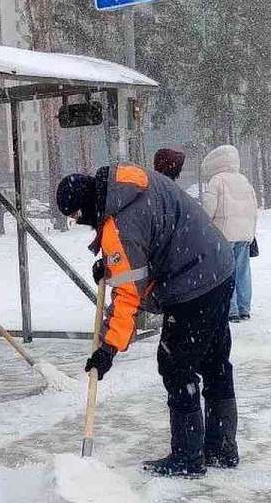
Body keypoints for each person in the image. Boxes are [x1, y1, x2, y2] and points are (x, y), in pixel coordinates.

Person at [57, 164, 238, 478]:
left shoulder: (119, 225)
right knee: (214, 362)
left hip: (193, 281)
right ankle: (221, 449)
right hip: (218, 266)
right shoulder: (125, 181)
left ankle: (187, 457)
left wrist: (108, 348)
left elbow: (128, 295)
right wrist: (114, 265)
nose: (76, 222)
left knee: (177, 365)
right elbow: (152, 238)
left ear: (85, 207)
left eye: (74, 215)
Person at [201, 145, 258, 322]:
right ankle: (244, 308)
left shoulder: (216, 181)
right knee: (243, 272)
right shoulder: (243, 180)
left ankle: (231, 309)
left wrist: (205, 228)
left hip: (223, 235)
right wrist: (250, 232)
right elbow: (254, 208)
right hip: (243, 235)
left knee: (226, 272)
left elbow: (209, 208)